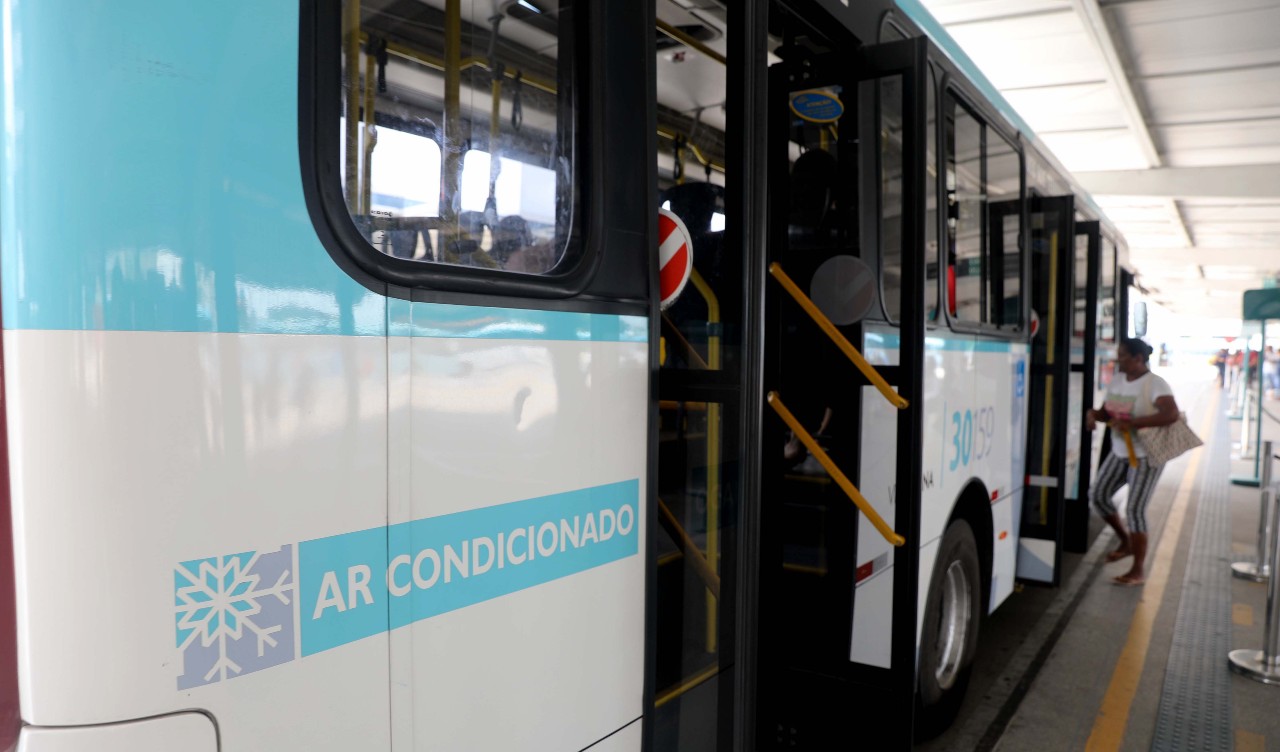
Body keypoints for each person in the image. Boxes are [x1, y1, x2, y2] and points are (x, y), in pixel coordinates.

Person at [1084, 337, 1181, 586]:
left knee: (1135, 510)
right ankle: (1125, 541)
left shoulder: (1155, 384)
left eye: (1124, 356)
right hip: (1119, 451)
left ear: (1139, 359)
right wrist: (1094, 414)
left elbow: (1170, 414)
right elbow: (1108, 411)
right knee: (1098, 495)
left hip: (1145, 455)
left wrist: (1134, 424)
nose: (1119, 360)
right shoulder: (1118, 380)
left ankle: (1137, 569)